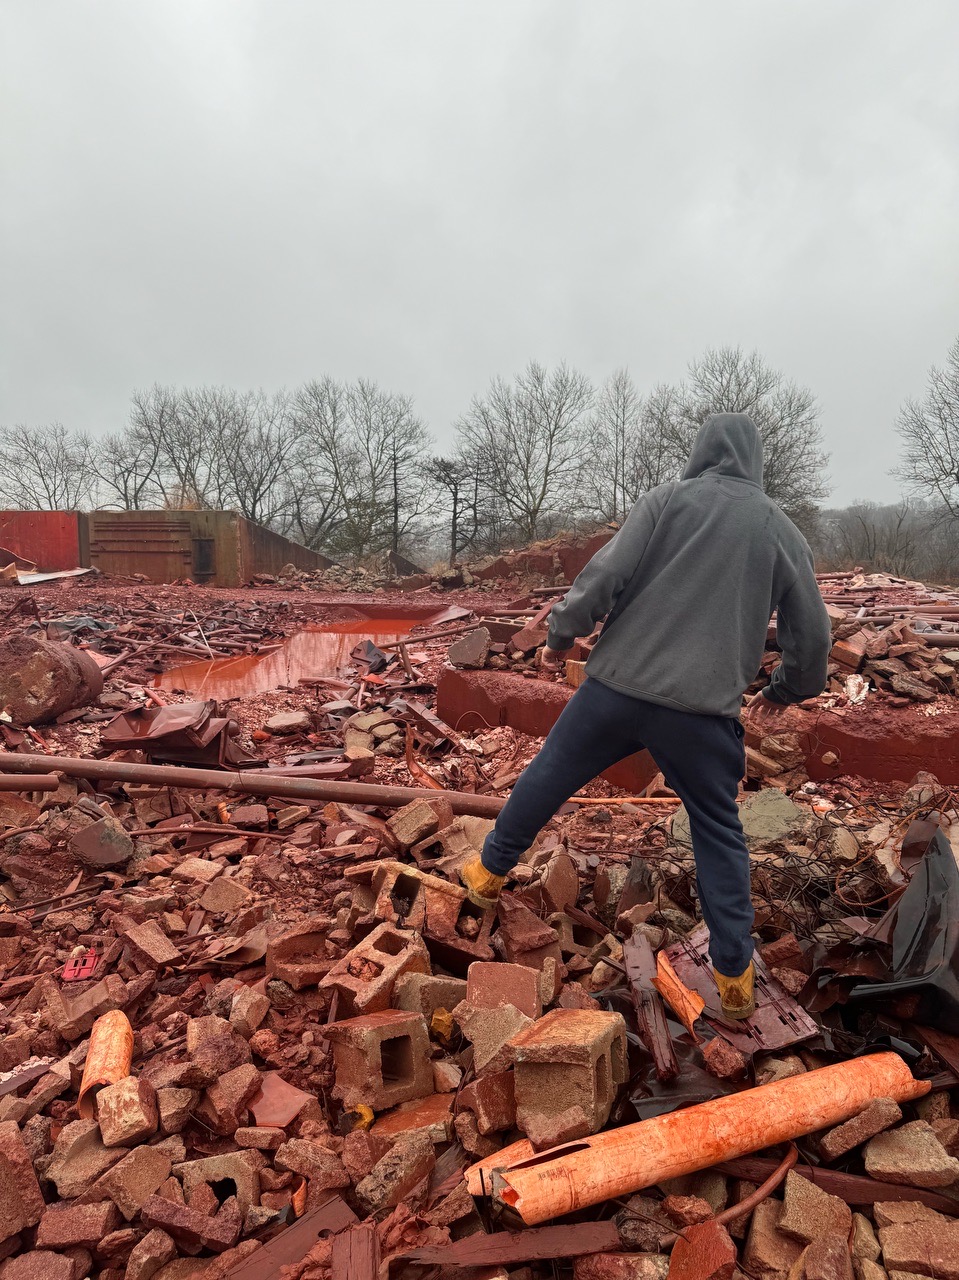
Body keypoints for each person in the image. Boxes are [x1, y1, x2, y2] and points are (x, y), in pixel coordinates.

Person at [460, 413, 831, 1020]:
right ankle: (734, 975)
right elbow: (812, 634)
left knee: (549, 773)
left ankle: (485, 875)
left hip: (616, 689)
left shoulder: (666, 501)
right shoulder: (779, 530)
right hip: (702, 716)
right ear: (756, 460)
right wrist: (787, 689)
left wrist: (561, 633)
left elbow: (605, 574)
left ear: (703, 452)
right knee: (716, 828)